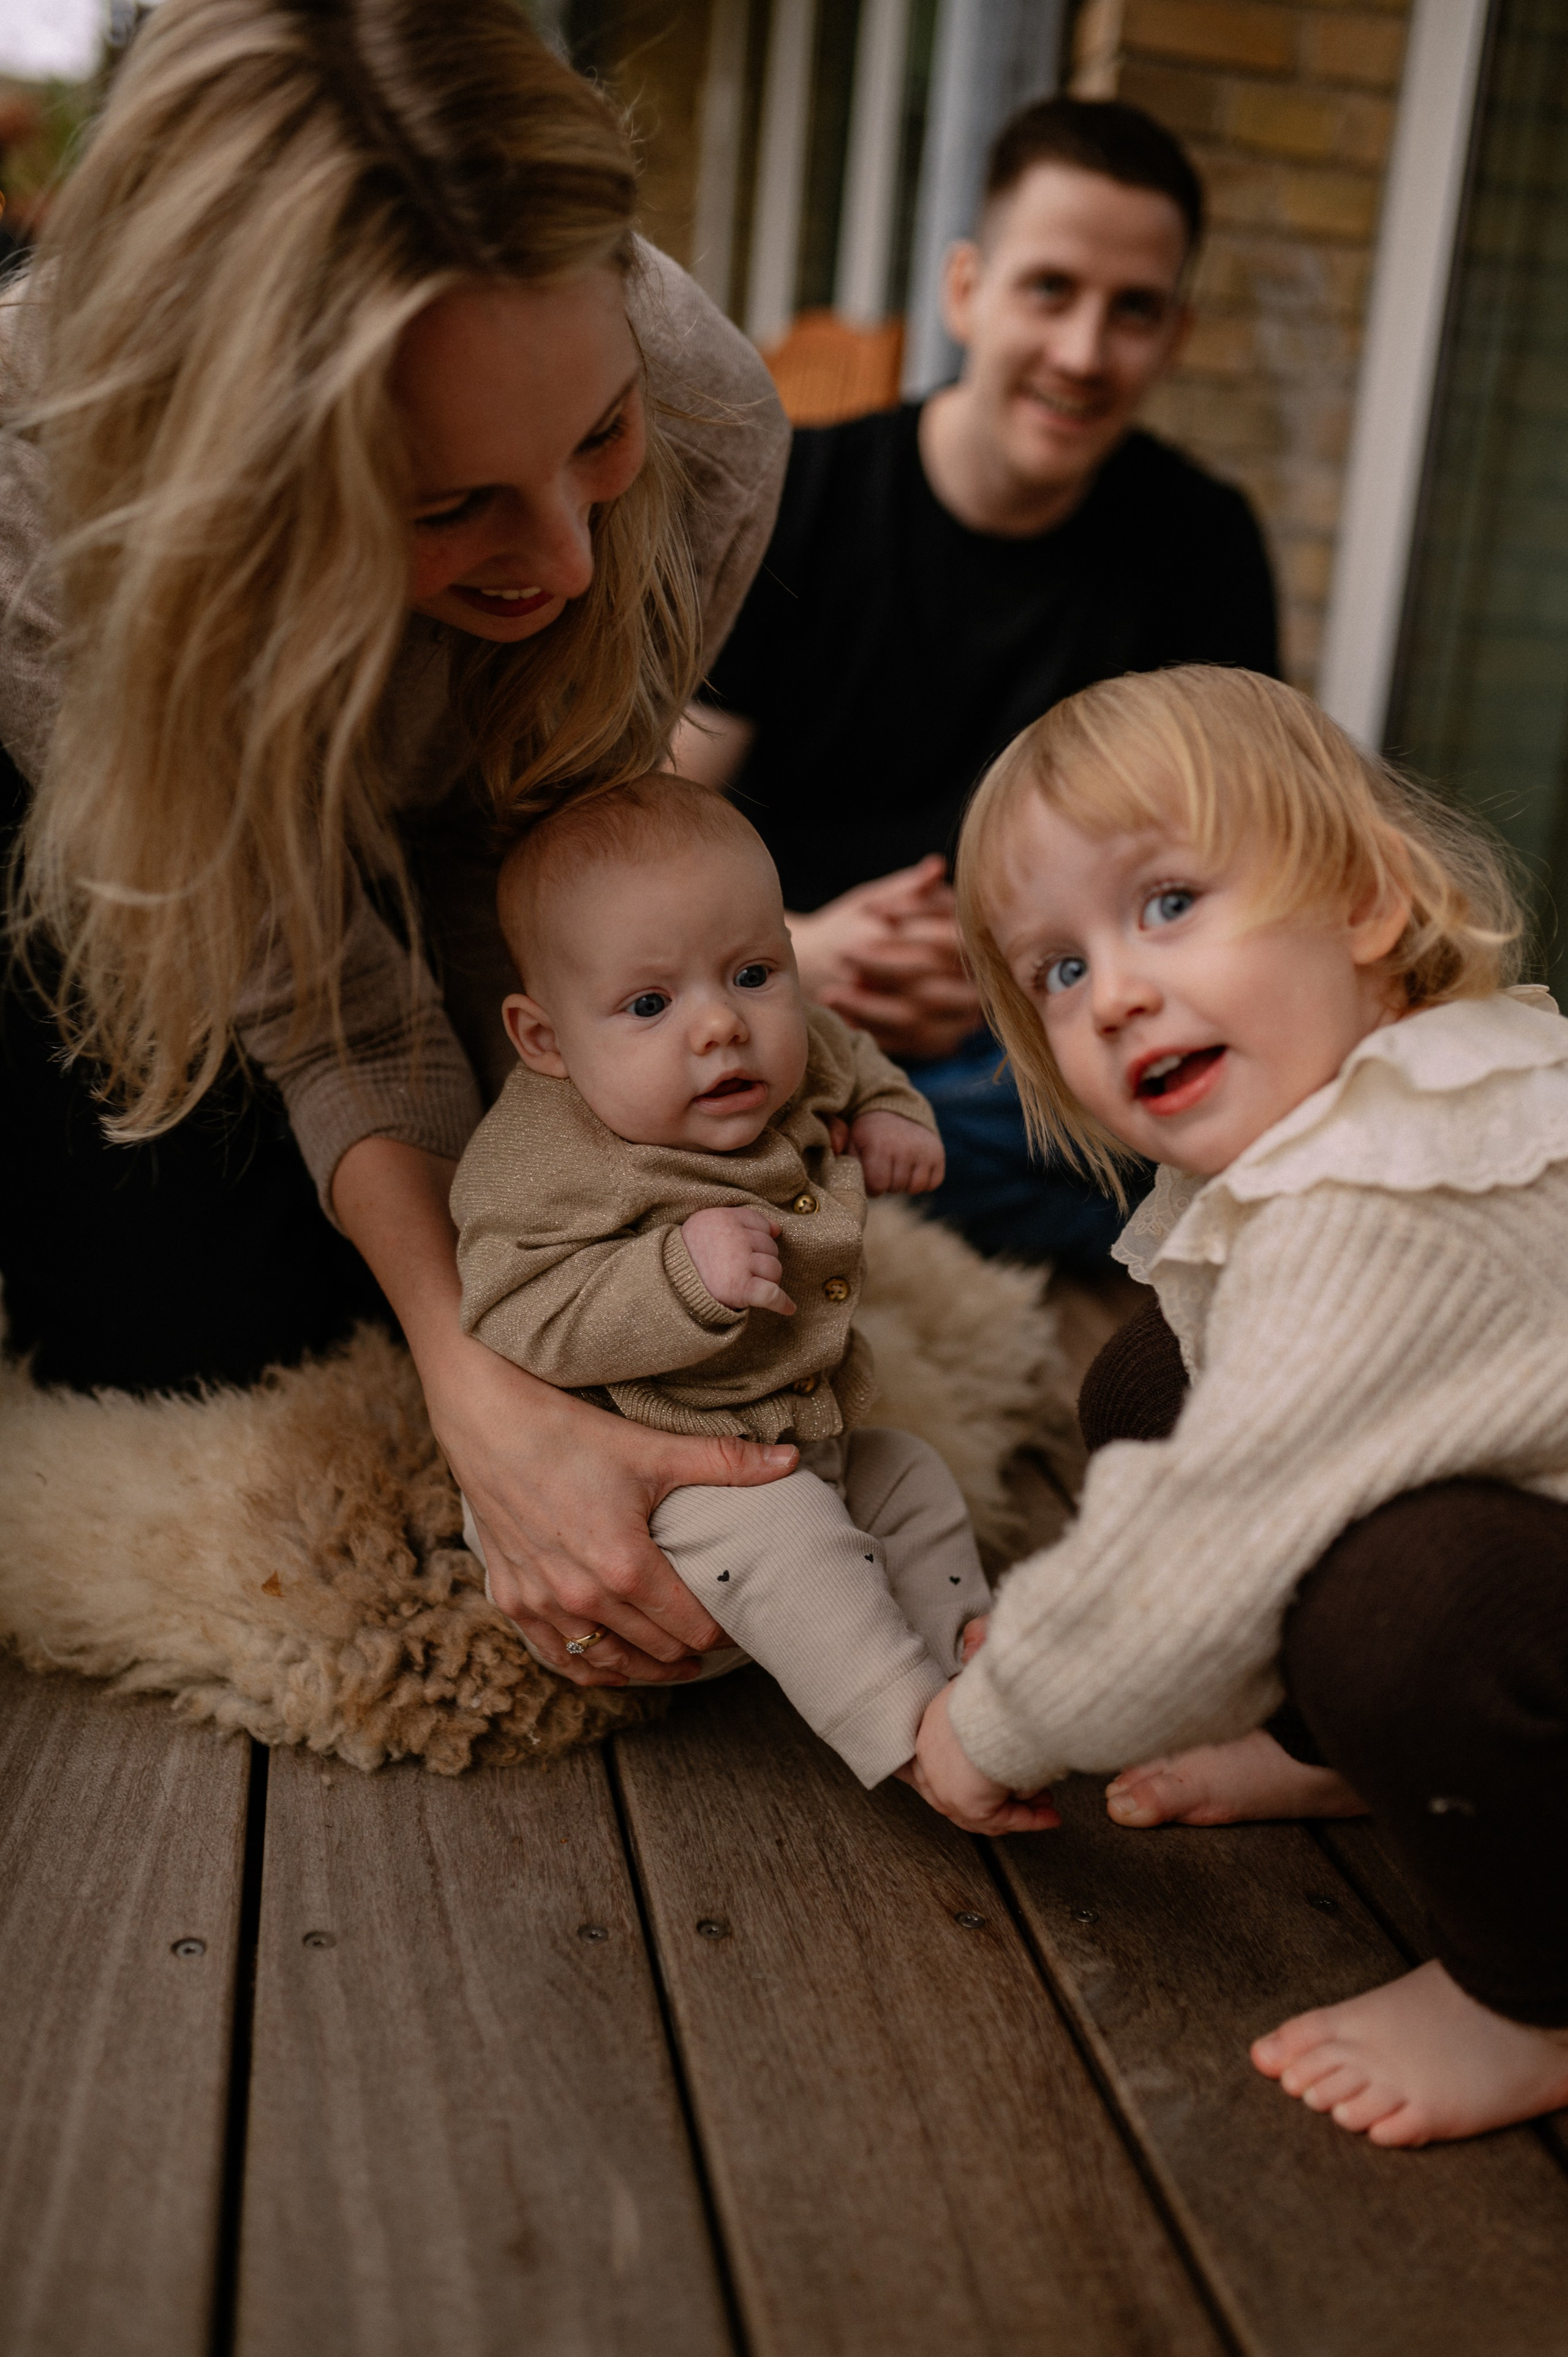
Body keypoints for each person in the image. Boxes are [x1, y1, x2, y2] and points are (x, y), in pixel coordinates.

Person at [0, 0, 800, 1692]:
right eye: (448, 504)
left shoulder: (710, 417)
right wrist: (475, 1383)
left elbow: (536, 878)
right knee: (193, 1330)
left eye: (595, 438)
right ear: (239, 495)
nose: (567, 561)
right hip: (117, 822)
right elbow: (328, 1003)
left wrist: (558, 1286)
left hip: (435, 834)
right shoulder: (41, 512)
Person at [903, 665, 1568, 2146]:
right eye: (1056, 969)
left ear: (1363, 904)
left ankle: (1532, 1997)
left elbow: (1201, 1543)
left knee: (1408, 1602)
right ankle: (1337, 1750)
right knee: (1159, 1373)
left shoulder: (1381, 1203)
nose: (1113, 991)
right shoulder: (1390, 1095)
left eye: (1165, 903)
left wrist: (993, 1722)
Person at [675, 96, 1279, 1271]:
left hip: (1046, 1032)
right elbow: (647, 816)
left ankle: (820, 1175)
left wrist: (1031, 983)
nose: (1084, 353)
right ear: (966, 289)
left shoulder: (1203, 546)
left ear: (1177, 336)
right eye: (1051, 289)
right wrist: (791, 957)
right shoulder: (796, 496)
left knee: (1219, 1110)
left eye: (1134, 310)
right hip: (779, 998)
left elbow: (1230, 880)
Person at [450, 773, 992, 1785]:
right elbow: (512, 1310)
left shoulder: (794, 1049)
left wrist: (890, 1115)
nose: (720, 1026)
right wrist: (676, 1278)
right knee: (792, 1533)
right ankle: (914, 1735)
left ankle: (970, 1658)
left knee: (910, 1477)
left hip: (804, 1450)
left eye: (752, 974)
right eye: (651, 1004)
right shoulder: (539, 1160)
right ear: (544, 1040)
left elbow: (850, 1054)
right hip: (647, 1505)